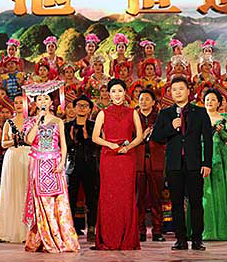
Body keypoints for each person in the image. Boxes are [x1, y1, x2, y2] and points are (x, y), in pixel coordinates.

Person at [151, 76, 213, 251]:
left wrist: (207, 163)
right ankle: (180, 239)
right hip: (174, 165)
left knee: (196, 203)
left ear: (188, 91)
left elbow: (208, 140)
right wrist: (171, 127)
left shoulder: (200, 112)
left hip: (195, 165)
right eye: (174, 89)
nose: (178, 92)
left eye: (181, 89)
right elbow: (156, 137)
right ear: (170, 93)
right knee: (176, 203)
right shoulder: (165, 114)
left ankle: (197, 239)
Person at [23, 80, 80, 253]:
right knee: (42, 203)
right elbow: (28, 140)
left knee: (58, 203)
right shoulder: (31, 122)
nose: (42, 102)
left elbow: (63, 144)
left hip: (55, 164)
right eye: (39, 99)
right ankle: (44, 238)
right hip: (38, 164)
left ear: (51, 102)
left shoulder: (58, 121)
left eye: (46, 99)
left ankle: (61, 237)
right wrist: (37, 121)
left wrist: (62, 163)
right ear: (35, 102)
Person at [92, 78, 143, 250]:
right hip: (109, 159)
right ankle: (108, 238)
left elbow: (139, 136)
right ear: (109, 94)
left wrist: (128, 147)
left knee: (126, 197)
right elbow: (95, 137)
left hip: (127, 158)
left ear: (125, 93)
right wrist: (110, 144)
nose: (117, 94)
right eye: (113, 91)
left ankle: (127, 238)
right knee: (109, 196)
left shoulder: (132, 112)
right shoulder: (103, 113)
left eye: (120, 91)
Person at [197, 89, 227, 241]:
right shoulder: (198, 116)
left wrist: (220, 132)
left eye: (213, 99)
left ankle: (223, 230)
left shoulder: (224, 118)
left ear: (219, 102)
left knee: (221, 191)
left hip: (220, 156)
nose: (209, 102)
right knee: (204, 191)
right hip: (202, 155)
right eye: (207, 99)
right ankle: (205, 229)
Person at [0, 95, 30, 244]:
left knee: (26, 190)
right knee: (12, 190)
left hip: (28, 156)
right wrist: (14, 140)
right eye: (16, 103)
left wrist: (25, 140)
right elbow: (4, 143)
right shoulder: (9, 122)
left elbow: (34, 141)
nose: (19, 105)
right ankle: (10, 230)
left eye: (22, 102)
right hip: (12, 156)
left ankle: (27, 231)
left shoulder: (31, 122)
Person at [65, 94, 99, 241]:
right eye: (79, 105)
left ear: (90, 109)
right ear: (74, 108)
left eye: (85, 106)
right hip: (72, 166)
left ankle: (91, 228)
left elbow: (97, 145)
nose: (82, 108)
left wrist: (86, 137)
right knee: (70, 199)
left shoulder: (94, 125)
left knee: (91, 199)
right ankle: (70, 229)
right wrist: (72, 139)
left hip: (90, 166)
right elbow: (64, 146)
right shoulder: (67, 126)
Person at [134, 89, 166, 242]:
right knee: (139, 197)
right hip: (138, 161)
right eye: (141, 99)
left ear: (153, 102)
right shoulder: (133, 117)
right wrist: (142, 136)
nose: (143, 102)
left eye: (147, 99)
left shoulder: (160, 118)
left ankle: (157, 230)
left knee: (156, 197)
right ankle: (140, 230)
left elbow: (166, 137)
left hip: (156, 160)